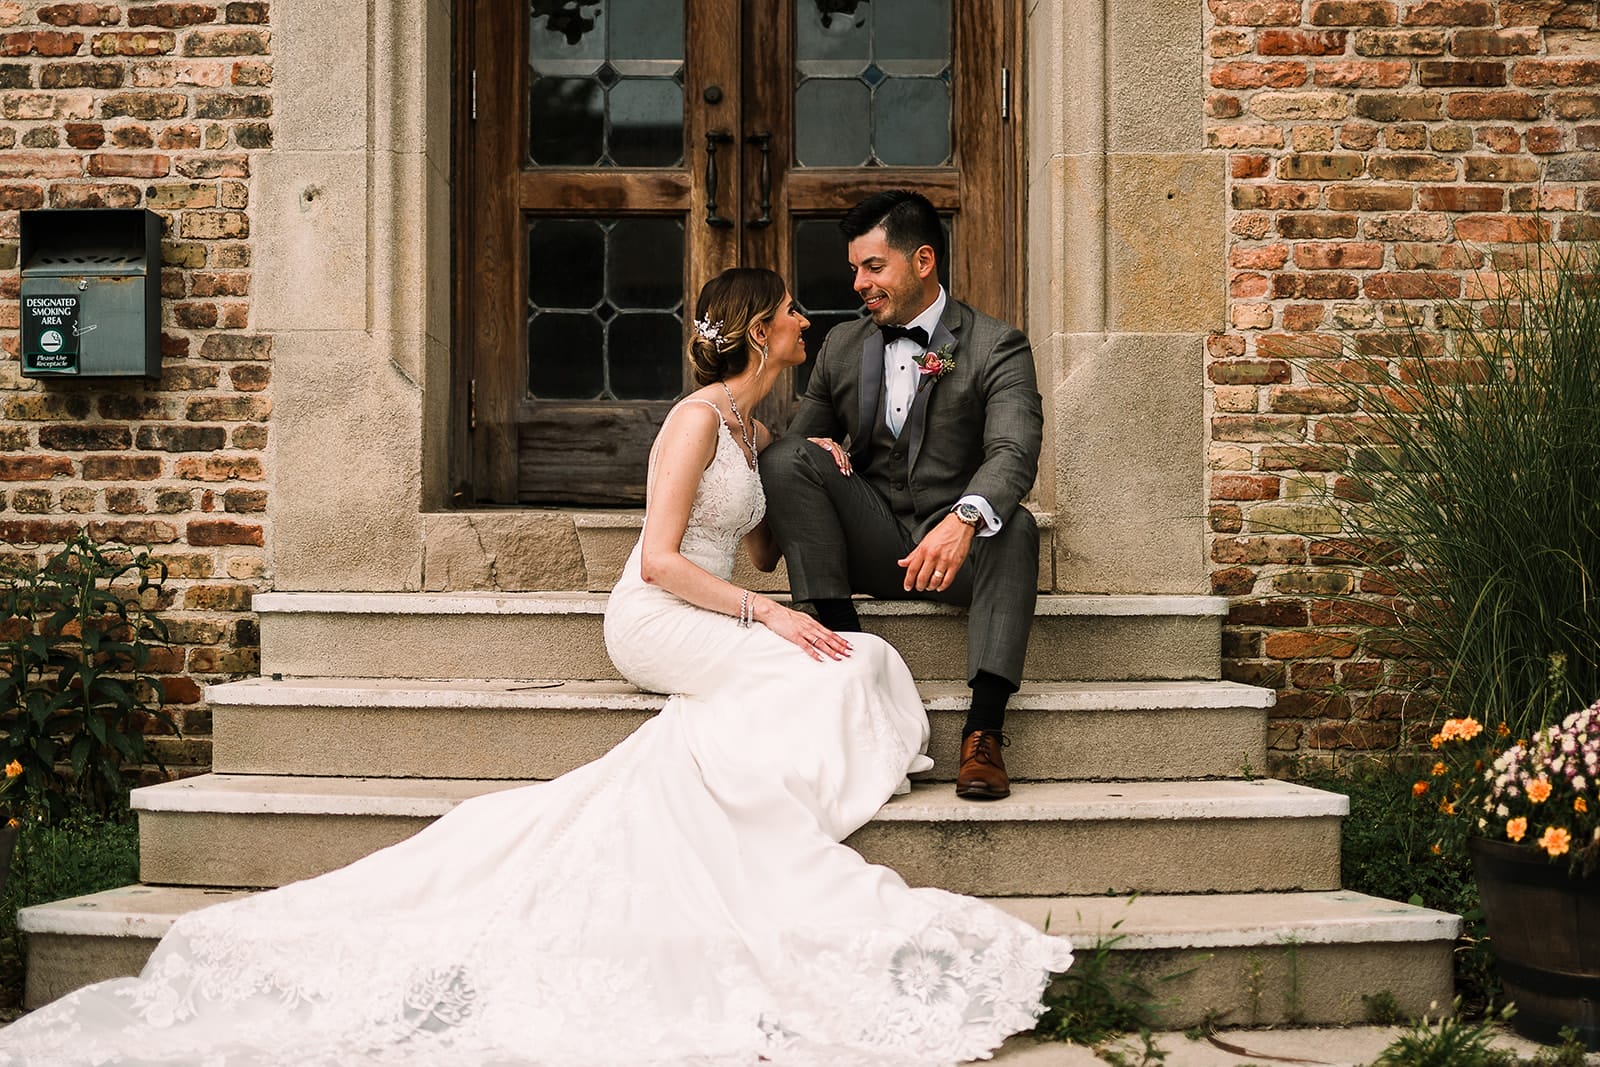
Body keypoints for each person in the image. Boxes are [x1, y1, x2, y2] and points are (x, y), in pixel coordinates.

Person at [0, 268, 1071, 1066]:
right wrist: (767, 618)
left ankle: (741, 782)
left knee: (855, 658)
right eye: (793, 311)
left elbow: (750, 545)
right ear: (760, 330)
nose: (809, 322)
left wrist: (816, 478)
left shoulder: (754, 426)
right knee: (823, 664)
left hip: (713, 596)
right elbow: (657, 560)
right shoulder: (695, 421)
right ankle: (743, 803)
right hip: (655, 616)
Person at [759, 190, 1045, 802]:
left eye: (873, 267)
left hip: (953, 555)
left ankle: (984, 732)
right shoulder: (842, 345)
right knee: (785, 457)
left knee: (1015, 527)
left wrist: (966, 517)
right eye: (855, 269)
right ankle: (844, 654)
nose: (859, 282)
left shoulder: (998, 345)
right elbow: (802, 435)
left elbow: (1013, 453)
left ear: (922, 261)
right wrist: (821, 446)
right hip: (872, 537)